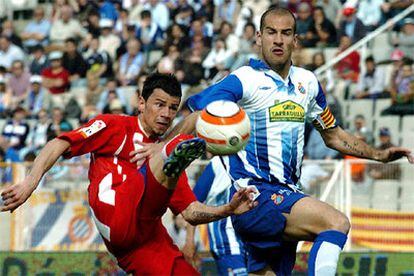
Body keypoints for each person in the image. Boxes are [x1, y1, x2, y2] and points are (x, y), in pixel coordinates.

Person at [132, 8, 413, 275]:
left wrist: (380, 155)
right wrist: (162, 147)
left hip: (285, 196)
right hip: (258, 196)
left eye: (285, 33)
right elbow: (199, 115)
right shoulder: (245, 79)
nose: (278, 39)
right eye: (271, 32)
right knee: (336, 223)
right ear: (258, 37)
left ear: (295, 40)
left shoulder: (308, 83)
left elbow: (333, 134)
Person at [0, 73, 256, 275]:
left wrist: (227, 209)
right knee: (191, 126)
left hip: (145, 242)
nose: (166, 114)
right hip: (117, 218)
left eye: (173, 108)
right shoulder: (115, 126)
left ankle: (194, 129)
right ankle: (202, 124)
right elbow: (59, 143)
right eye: (159, 104)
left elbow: (190, 212)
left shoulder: (167, 167)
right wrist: (29, 182)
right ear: (141, 102)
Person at [184, 157, 248, 275]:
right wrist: (189, 241)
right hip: (227, 239)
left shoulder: (256, 159)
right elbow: (192, 204)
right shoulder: (217, 163)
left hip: (252, 239)